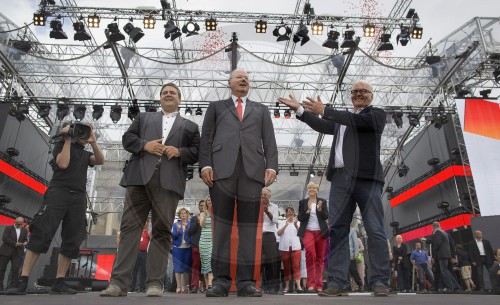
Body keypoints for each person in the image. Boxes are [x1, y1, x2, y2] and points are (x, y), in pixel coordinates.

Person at [278, 81, 390, 297]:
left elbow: (355, 120)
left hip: (366, 178)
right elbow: (322, 126)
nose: (357, 94)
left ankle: (380, 281)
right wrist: (300, 110)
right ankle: (338, 282)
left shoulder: (376, 115)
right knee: (337, 229)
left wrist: (326, 111)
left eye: (362, 91)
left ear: (371, 96)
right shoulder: (343, 121)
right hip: (340, 180)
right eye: (354, 91)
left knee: (374, 228)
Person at [100, 83, 200, 297]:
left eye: (173, 92)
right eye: (164, 92)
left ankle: (154, 283)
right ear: (160, 99)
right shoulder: (144, 118)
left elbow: (197, 152)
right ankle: (118, 283)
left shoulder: (190, 126)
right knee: (129, 230)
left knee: (162, 231)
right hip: (138, 180)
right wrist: (145, 145)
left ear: (179, 99)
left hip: (169, 183)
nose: (168, 94)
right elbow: (128, 139)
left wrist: (180, 151)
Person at [199, 68, 278, 297]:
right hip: (220, 172)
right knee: (221, 229)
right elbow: (206, 138)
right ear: (229, 82)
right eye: (239, 77)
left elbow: (270, 140)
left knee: (248, 229)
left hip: (253, 173)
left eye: (246, 77)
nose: (244, 79)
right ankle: (221, 281)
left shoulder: (261, 110)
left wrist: (271, 166)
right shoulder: (216, 107)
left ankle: (245, 282)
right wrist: (205, 165)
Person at [6, 123, 104, 295]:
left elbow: (101, 160)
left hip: (78, 196)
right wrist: (67, 139)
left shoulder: (87, 153)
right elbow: (63, 164)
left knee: (72, 238)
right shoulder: (60, 145)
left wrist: (93, 141)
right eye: (77, 129)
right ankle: (22, 280)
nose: (81, 133)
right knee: (42, 232)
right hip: (59, 192)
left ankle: (59, 281)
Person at [297, 182, 328, 293]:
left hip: (321, 232)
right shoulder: (303, 202)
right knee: (311, 254)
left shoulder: (322, 202)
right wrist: (308, 210)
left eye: (313, 188)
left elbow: (326, 216)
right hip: (307, 231)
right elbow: (300, 218)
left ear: (317, 190)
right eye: (309, 187)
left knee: (320, 259)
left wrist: (319, 209)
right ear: (307, 190)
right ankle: (311, 284)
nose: (311, 189)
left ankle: (319, 285)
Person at [260, 187, 281, 294]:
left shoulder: (274, 206)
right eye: (262, 195)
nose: (263, 196)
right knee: (259, 262)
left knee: (271, 262)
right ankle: (259, 285)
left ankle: (274, 286)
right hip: (257, 235)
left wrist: (267, 211)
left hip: (269, 235)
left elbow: (275, 220)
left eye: (265, 195)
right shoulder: (255, 205)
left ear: (269, 196)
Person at [424, 222, 454, 292]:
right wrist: (427, 240)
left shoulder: (437, 232)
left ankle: (450, 287)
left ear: (433, 227)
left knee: (444, 271)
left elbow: (437, 243)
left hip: (442, 254)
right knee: (445, 270)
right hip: (446, 254)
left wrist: (434, 250)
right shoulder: (443, 232)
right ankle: (452, 286)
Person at [277, 207, 302, 293]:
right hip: (284, 247)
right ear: (286, 213)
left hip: (296, 247)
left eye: (292, 212)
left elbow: (301, 234)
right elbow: (279, 233)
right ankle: (286, 286)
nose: (291, 213)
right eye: (289, 212)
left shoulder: (298, 222)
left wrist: (295, 225)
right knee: (286, 267)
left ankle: (298, 286)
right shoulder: (281, 222)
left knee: (296, 266)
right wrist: (286, 224)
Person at [0, 217, 28, 291]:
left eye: (20, 224)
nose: (19, 225)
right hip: (5, 251)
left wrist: (25, 242)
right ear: (15, 221)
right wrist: (15, 243)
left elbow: (25, 238)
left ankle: (12, 287)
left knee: (15, 269)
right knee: (1, 269)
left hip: (17, 252)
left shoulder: (24, 230)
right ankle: (0, 286)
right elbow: (5, 238)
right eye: (18, 223)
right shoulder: (8, 228)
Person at [172, 208, 192, 293]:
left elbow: (193, 234)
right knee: (177, 268)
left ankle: (185, 287)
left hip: (187, 247)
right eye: (181, 213)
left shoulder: (190, 223)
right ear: (179, 215)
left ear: (187, 214)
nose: (183, 215)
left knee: (186, 268)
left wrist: (188, 228)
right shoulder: (175, 224)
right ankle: (178, 287)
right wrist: (178, 230)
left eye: (185, 213)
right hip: (177, 248)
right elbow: (173, 237)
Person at [129, 219, 151, 292]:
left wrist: (148, 231)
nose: (144, 223)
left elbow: (151, 238)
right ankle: (132, 286)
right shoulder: (137, 231)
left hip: (144, 253)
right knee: (134, 270)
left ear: (147, 223)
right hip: (136, 252)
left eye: (146, 222)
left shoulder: (148, 232)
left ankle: (142, 287)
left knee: (143, 270)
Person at [188, 200, 205, 293]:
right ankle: (194, 286)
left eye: (203, 205)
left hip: (207, 243)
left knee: (206, 265)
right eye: (201, 205)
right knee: (195, 265)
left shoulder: (210, 217)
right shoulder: (194, 218)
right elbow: (190, 232)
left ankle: (207, 286)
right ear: (199, 207)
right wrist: (196, 222)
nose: (202, 207)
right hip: (196, 244)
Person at [199, 196, 213, 290]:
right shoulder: (203, 214)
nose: (210, 201)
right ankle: (207, 285)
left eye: (211, 200)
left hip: (212, 239)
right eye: (208, 200)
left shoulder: (216, 213)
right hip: (204, 240)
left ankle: (210, 283)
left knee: (210, 261)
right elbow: (202, 225)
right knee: (205, 263)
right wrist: (206, 213)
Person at [348, 225, 363, 292]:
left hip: (351, 254)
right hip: (342, 255)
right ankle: (347, 287)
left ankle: (360, 284)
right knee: (344, 272)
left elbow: (355, 242)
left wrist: (356, 252)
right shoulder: (340, 230)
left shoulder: (352, 230)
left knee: (353, 271)